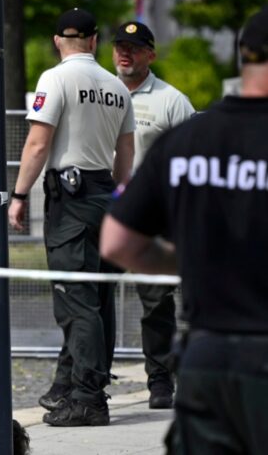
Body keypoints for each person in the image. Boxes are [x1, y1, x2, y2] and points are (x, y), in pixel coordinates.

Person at [100, 6, 268, 454]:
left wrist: (184, 258)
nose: (125, 55)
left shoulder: (189, 134)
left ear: (242, 56)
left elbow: (117, 242)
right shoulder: (110, 95)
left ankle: (157, 378)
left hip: (208, 355)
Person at [7, 8, 135, 427]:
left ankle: (88, 398)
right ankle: (70, 385)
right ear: (95, 41)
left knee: (75, 300)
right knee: (97, 300)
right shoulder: (117, 87)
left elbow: (38, 145)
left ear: (58, 40)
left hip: (71, 199)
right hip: (106, 195)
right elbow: (126, 156)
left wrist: (20, 194)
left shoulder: (56, 78)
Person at [112, 20, 195, 410]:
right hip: (103, 211)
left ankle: (160, 381)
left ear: (151, 54)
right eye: (119, 47)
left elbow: (195, 159)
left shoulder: (171, 101)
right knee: (90, 300)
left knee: (156, 304)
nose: (124, 53)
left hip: (154, 218)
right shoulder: (101, 91)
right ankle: (89, 383)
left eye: (134, 47)